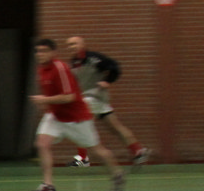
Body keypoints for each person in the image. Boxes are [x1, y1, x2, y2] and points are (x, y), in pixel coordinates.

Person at [30, 38, 124, 191]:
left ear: (54, 52)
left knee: (97, 150)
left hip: (76, 118)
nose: (40, 54)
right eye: (38, 51)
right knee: (42, 144)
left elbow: (69, 97)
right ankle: (48, 186)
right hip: (55, 116)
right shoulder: (41, 69)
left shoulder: (60, 68)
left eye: (44, 51)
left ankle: (117, 174)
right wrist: (45, 105)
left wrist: (44, 100)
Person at [64, 36, 149, 167]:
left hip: (94, 97)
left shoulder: (94, 58)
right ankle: (138, 151)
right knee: (115, 127)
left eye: (74, 44)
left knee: (79, 123)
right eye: (69, 45)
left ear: (82, 44)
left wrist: (107, 81)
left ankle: (82, 158)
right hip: (93, 100)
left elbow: (114, 66)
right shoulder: (74, 63)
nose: (72, 47)